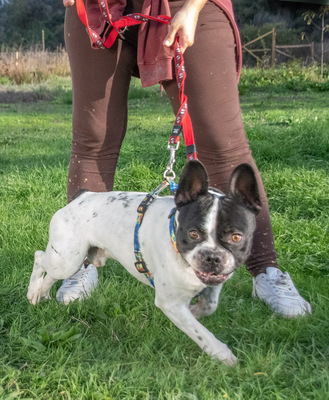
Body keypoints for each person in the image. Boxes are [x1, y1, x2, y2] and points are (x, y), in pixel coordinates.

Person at [56, 0, 311, 318]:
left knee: (222, 143)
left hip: (186, 4)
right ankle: (79, 263)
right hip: (100, 7)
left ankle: (267, 272)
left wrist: (192, 7)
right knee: (92, 141)